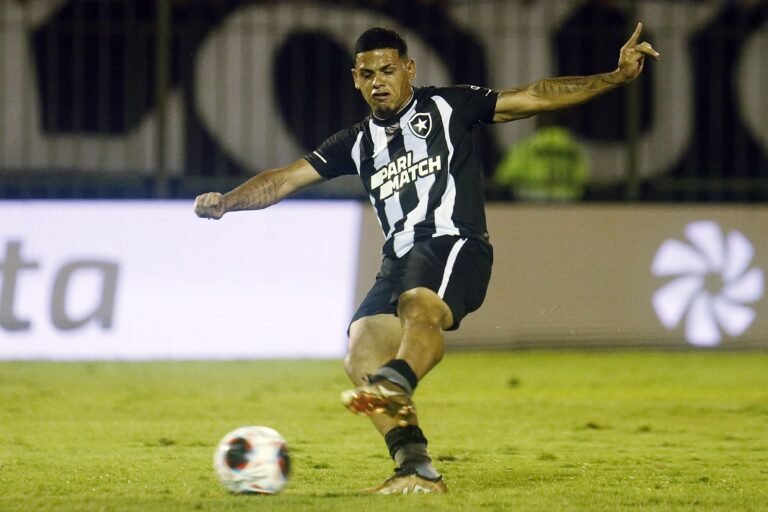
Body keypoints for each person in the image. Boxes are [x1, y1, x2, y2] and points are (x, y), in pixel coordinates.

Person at [194, 24, 659, 494]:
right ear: (355, 79)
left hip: (455, 243)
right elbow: (284, 179)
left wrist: (615, 77)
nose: (379, 81)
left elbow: (534, 96)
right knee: (361, 352)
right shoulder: (356, 142)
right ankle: (415, 468)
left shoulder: (448, 107)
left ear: (409, 69)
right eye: (368, 74)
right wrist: (228, 201)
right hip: (397, 261)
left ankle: (398, 380)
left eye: (388, 70)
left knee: (419, 305)